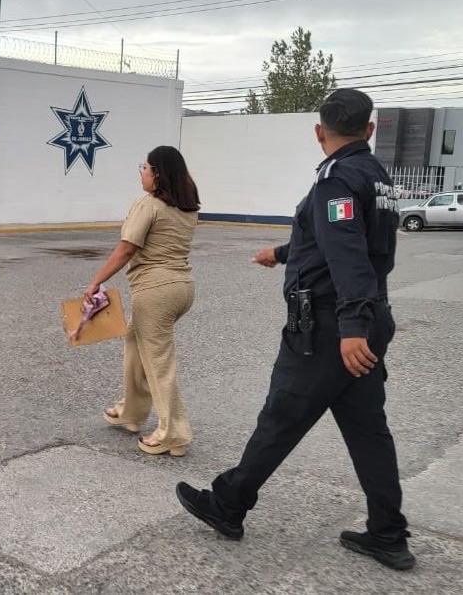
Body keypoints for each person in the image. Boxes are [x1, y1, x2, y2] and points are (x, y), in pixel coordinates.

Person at [175, 89, 414, 570]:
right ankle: (388, 534)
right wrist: (282, 254)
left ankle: (228, 504)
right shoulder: (375, 175)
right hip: (366, 318)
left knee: (282, 415)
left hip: (331, 327)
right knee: (369, 430)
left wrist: (350, 328)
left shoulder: (336, 179)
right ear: (370, 130)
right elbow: (334, 240)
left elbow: (347, 255)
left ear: (319, 131)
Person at [84, 145, 200, 457]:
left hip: (155, 292)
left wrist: (97, 281)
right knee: (136, 343)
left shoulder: (149, 204)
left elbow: (126, 248)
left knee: (159, 362)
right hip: (182, 287)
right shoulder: (186, 206)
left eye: (145, 168)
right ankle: (132, 411)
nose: (142, 173)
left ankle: (173, 433)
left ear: (157, 174)